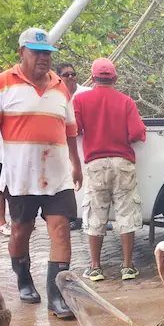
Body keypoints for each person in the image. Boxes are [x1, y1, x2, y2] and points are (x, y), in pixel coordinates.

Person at [0, 27, 83, 320]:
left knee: (61, 229)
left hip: (58, 174)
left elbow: (70, 130)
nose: (43, 59)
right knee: (21, 230)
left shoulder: (61, 87)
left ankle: (58, 297)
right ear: (21, 52)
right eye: (37, 52)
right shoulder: (0, 85)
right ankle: (24, 279)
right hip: (21, 175)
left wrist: (75, 163)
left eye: (47, 54)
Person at [73, 58, 146, 281]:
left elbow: (74, 129)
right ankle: (127, 266)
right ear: (114, 78)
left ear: (93, 78)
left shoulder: (80, 100)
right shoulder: (126, 101)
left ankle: (95, 267)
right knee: (126, 213)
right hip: (122, 162)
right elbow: (136, 132)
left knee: (95, 213)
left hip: (95, 163)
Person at [56, 62, 92, 230]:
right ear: (59, 77)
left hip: (86, 146)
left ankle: (91, 218)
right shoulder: (55, 95)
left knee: (88, 185)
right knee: (68, 183)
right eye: (66, 74)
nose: (71, 77)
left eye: (73, 73)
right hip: (63, 149)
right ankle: (72, 216)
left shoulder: (87, 93)